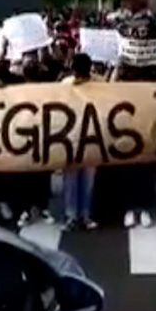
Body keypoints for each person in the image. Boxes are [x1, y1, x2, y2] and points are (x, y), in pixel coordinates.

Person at [61, 54, 97, 229]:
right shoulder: (65, 85)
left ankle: (83, 215)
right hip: (72, 138)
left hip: (91, 138)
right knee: (72, 179)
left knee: (86, 180)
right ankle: (73, 215)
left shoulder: (99, 85)